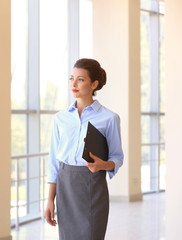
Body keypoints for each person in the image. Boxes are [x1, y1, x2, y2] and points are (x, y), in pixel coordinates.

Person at [44, 58, 124, 240]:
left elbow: (117, 158)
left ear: (94, 84)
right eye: (71, 78)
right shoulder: (60, 118)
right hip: (65, 185)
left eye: (80, 79)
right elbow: (54, 161)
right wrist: (50, 199)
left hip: (92, 184)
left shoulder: (109, 118)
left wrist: (103, 165)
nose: (74, 84)